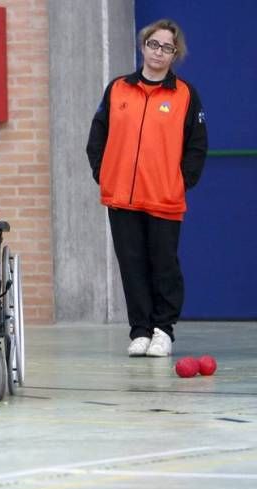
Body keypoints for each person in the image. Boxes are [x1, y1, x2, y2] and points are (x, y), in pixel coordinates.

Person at [86, 19, 207, 358]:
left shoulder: (185, 94)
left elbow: (197, 146)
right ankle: (139, 330)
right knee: (132, 264)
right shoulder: (117, 89)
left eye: (167, 47)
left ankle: (163, 330)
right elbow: (97, 136)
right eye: (154, 44)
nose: (159, 52)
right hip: (122, 196)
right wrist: (105, 173)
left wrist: (180, 181)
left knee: (163, 264)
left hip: (164, 197)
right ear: (143, 46)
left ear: (175, 54)